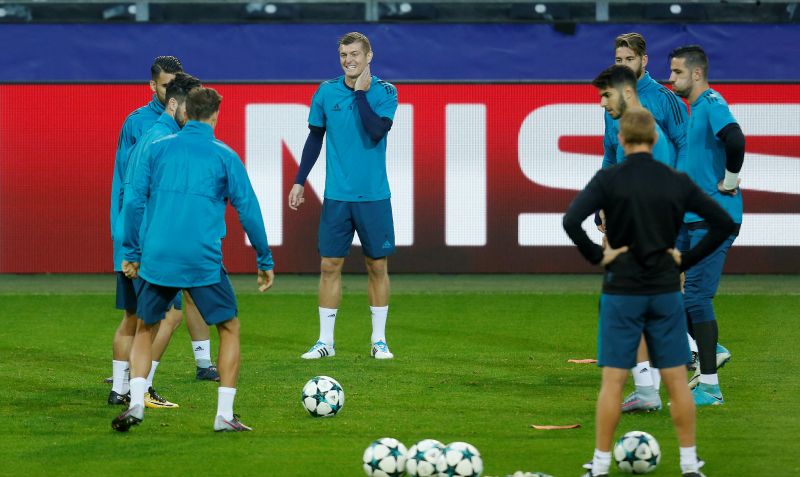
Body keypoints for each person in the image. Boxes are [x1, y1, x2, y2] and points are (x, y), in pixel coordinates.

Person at [563, 108, 735, 477]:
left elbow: (570, 220)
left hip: (621, 289)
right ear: (655, 140)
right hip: (663, 290)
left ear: (622, 140)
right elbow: (722, 222)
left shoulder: (609, 179)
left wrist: (599, 255)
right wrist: (685, 258)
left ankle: (598, 466)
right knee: (676, 382)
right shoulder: (675, 181)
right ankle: (690, 465)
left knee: (612, 382)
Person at [113, 87, 275, 432]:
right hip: (201, 258)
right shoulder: (224, 156)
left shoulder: (156, 150)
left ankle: (137, 402)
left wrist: (130, 252)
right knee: (229, 328)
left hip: (158, 256)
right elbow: (248, 209)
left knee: (145, 326)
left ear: (184, 111)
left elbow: (133, 202)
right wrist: (264, 257)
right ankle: (224, 414)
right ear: (215, 116)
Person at [108, 56, 219, 410]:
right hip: (149, 243)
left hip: (137, 239)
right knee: (161, 316)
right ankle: (141, 389)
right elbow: (136, 193)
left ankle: (122, 388)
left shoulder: (159, 132)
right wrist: (134, 246)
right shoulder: (158, 135)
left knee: (136, 318)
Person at [288, 32, 399, 360]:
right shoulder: (325, 92)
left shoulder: (385, 92)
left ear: (368, 56)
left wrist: (361, 96)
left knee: (377, 266)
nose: (348, 59)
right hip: (337, 196)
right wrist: (299, 181)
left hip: (375, 196)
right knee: (329, 264)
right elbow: (314, 139)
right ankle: (326, 342)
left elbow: (376, 130)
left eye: (354, 54)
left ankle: (379, 341)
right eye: (342, 55)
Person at [669, 45, 745, 405]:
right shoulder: (695, 110)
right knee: (672, 292)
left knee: (696, 296)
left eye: (678, 73)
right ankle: (713, 350)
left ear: (696, 74)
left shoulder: (713, 103)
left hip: (714, 220)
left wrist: (729, 181)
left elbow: (735, 138)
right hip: (691, 219)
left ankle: (711, 388)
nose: (672, 79)